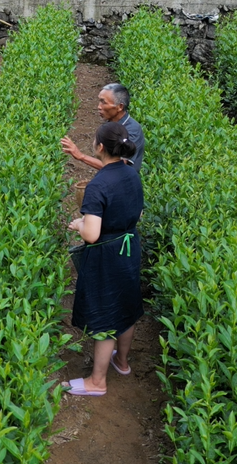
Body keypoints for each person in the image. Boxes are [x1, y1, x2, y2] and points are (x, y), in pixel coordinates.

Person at [62, 122, 144, 397]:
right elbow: (137, 213)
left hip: (107, 255)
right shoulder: (131, 174)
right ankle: (121, 362)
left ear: (99, 147)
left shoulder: (98, 186)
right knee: (126, 306)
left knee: (106, 314)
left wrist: (78, 224)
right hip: (130, 247)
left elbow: (92, 235)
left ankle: (97, 382)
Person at [61, 83, 145, 170]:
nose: (99, 107)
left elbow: (118, 167)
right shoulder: (111, 124)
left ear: (120, 107)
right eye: (99, 101)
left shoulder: (132, 130)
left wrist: (81, 156)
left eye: (103, 102)